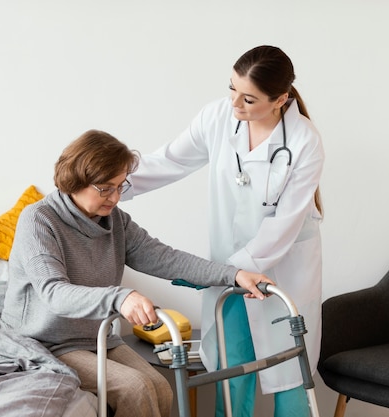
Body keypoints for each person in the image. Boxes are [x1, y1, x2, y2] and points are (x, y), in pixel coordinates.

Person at [0, 129, 274, 417]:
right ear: (74, 180)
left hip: (96, 337)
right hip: (45, 340)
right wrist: (121, 297)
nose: (115, 197)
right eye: (105, 188)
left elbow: (165, 258)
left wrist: (234, 275)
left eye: (121, 186)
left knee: (162, 387)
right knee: (136, 388)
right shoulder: (38, 219)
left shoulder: (114, 220)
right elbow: (53, 292)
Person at [122, 45, 324, 417]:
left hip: (282, 273)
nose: (235, 103)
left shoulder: (303, 142)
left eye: (249, 98)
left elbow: (284, 226)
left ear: (281, 99)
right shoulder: (217, 118)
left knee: (289, 376)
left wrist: (231, 271)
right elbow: (169, 160)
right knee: (233, 373)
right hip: (228, 272)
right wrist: (114, 183)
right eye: (232, 89)